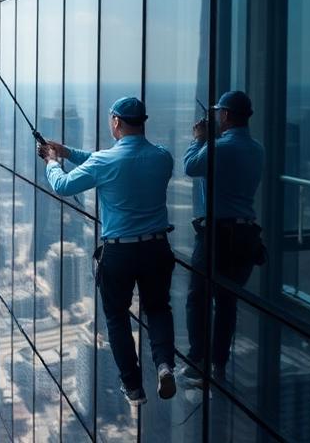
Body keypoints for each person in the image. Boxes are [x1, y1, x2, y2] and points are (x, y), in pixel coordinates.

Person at [38, 96, 176, 406]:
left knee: (116, 317)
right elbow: (108, 162)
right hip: (156, 248)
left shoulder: (105, 162)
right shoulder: (162, 158)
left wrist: (51, 162)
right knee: (158, 309)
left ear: (115, 122)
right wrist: (68, 152)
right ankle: (165, 365)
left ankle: (134, 387)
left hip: (120, 254)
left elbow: (63, 185)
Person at [180, 91, 265, 384]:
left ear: (226, 116)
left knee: (197, 297)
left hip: (218, 235)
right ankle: (218, 365)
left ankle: (197, 360)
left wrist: (200, 139)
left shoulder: (219, 148)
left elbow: (190, 167)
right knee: (227, 302)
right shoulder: (257, 149)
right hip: (246, 236)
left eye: (219, 114)